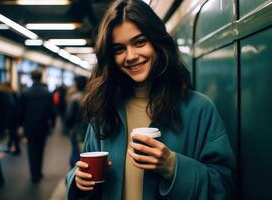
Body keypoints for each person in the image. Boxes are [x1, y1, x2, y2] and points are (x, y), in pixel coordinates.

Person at [66, 0, 236, 199]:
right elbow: (85, 169)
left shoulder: (198, 109)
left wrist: (170, 165)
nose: (130, 56)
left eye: (139, 42)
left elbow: (223, 184)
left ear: (157, 42)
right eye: (119, 49)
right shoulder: (104, 110)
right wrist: (77, 181)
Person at [19, 70, 55, 183]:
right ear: (41, 77)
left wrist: (20, 125)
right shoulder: (47, 93)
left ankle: (34, 174)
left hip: (29, 127)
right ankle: (39, 172)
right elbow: (52, 111)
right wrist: (52, 124)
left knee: (31, 150)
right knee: (40, 149)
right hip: (42, 126)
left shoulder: (25, 93)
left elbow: (20, 111)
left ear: (31, 77)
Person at [66, 76, 88, 168]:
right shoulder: (90, 96)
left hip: (76, 130)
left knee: (75, 153)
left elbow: (69, 116)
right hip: (87, 130)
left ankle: (74, 175)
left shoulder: (74, 98)